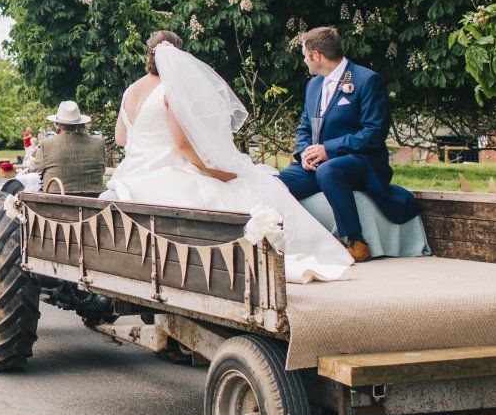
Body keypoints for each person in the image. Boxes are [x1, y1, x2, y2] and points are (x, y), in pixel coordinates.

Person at [104, 31, 351, 283]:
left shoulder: (131, 90)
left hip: (132, 171)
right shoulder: (170, 89)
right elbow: (182, 145)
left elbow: (122, 139)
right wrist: (215, 172)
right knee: (240, 187)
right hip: (168, 168)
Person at [274, 26, 419, 262]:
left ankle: (355, 241)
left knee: (330, 170)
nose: (303, 60)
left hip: (362, 161)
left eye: (304, 55)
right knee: (279, 183)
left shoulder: (365, 80)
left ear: (316, 55)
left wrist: (328, 150)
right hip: (317, 163)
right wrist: (304, 155)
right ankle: (291, 241)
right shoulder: (313, 86)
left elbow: (374, 133)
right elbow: (304, 128)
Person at [26, 102, 110, 195]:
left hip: (55, 202)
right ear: (81, 124)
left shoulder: (47, 144)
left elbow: (34, 171)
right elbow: (102, 170)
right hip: (94, 202)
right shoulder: (98, 143)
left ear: (57, 124)